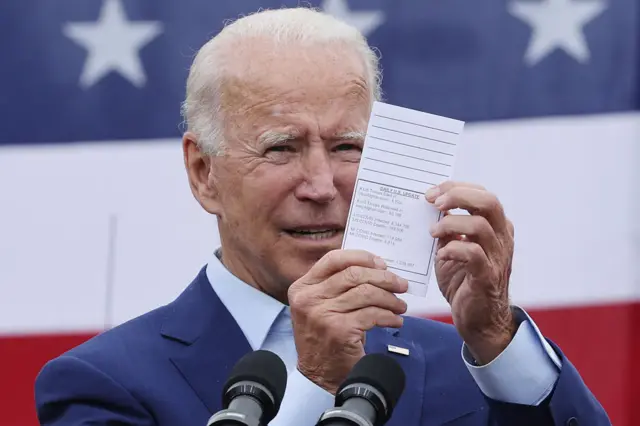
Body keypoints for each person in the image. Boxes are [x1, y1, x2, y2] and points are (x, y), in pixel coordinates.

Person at [35, 7, 610, 426]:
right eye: (281, 147)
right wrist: (312, 387)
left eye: (347, 147)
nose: (321, 185)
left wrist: (495, 338)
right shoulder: (105, 385)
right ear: (203, 172)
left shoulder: (465, 366)